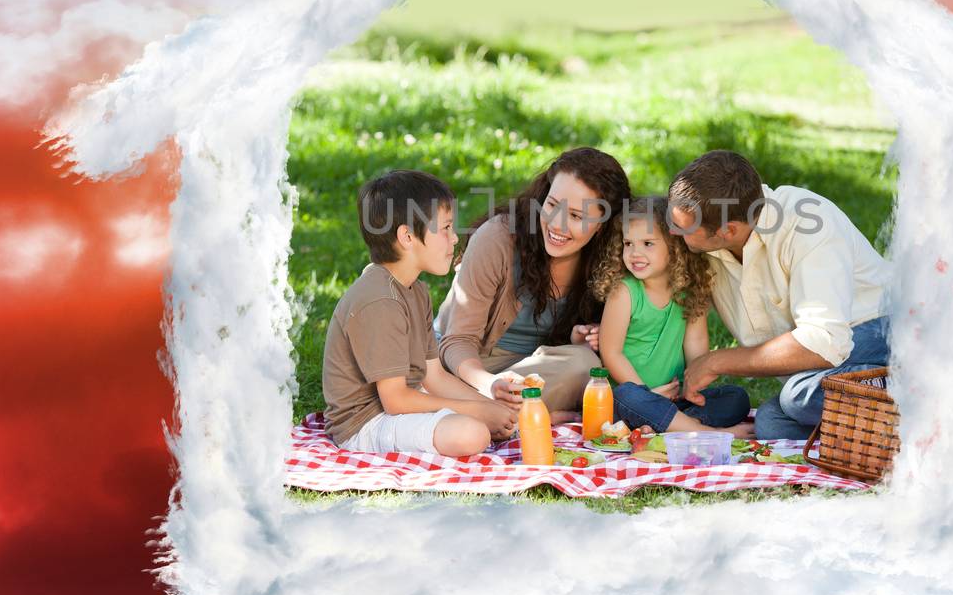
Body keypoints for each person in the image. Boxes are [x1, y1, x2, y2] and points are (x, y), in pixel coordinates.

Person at [667, 150, 891, 442]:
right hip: (822, 368)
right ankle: (879, 427)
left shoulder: (807, 223)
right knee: (773, 424)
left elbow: (824, 341)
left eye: (682, 228)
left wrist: (716, 361)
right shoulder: (707, 242)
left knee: (798, 396)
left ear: (728, 230)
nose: (672, 232)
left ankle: (916, 388)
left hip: (881, 333)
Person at [322, 170, 518, 456]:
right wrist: (477, 411)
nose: (454, 239)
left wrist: (489, 406)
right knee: (472, 433)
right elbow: (395, 401)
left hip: (401, 405)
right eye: (446, 228)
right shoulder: (380, 300)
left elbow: (434, 376)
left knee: (497, 417)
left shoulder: (416, 291)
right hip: (364, 423)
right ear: (407, 237)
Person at [434, 147, 631, 420]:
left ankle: (483, 415)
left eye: (576, 216)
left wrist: (597, 334)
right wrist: (488, 384)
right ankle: (524, 416)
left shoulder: (615, 260)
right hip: (466, 367)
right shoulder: (498, 238)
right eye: (551, 205)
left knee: (585, 364)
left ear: (603, 224)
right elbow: (457, 340)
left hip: (535, 374)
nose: (556, 224)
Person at [589, 195, 752, 435]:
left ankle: (673, 424)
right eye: (628, 243)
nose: (634, 252)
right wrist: (646, 392)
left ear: (674, 248)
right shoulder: (624, 291)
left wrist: (692, 387)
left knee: (736, 398)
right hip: (632, 399)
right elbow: (611, 352)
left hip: (674, 398)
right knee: (626, 396)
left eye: (647, 243)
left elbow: (696, 345)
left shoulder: (690, 290)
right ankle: (703, 431)